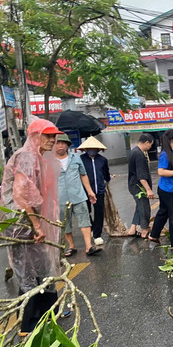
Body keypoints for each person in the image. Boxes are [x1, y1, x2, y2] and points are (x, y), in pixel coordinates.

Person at [0, 118, 63, 334]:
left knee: (42, 267)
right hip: (21, 223)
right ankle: (27, 324)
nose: (53, 140)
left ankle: (46, 314)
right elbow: (21, 193)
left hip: (29, 221)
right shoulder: (27, 156)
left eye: (54, 136)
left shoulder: (39, 157)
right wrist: (36, 225)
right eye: (48, 135)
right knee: (28, 272)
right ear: (35, 136)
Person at [54, 133, 101, 257]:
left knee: (85, 220)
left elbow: (83, 175)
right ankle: (72, 246)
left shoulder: (76, 157)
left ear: (68, 145)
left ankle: (89, 247)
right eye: (58, 143)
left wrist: (90, 192)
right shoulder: (49, 161)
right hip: (60, 198)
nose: (60, 146)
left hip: (78, 196)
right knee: (65, 224)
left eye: (63, 143)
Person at [148, 129, 173, 249]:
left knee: (163, 212)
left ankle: (154, 234)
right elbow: (161, 171)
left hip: (167, 189)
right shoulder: (166, 154)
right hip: (171, 191)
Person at [79, 136, 110, 246]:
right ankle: (91, 227)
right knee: (86, 211)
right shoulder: (81, 160)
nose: (92, 150)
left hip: (99, 190)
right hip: (84, 191)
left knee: (99, 213)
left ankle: (97, 234)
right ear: (86, 149)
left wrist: (106, 182)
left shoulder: (102, 160)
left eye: (94, 148)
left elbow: (106, 174)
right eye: (90, 148)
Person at [127, 133, 154, 239]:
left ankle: (132, 228)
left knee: (139, 206)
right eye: (150, 145)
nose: (150, 147)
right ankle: (144, 230)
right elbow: (141, 175)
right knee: (144, 207)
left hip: (133, 185)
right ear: (146, 142)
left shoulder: (133, 151)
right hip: (138, 187)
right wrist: (148, 189)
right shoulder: (139, 154)